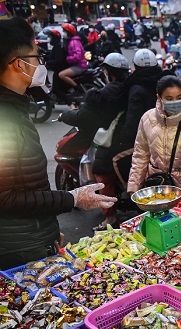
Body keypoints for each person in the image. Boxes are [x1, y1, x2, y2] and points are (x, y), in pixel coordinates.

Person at [0, 17, 115, 269]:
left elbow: (25, 182)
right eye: (35, 56)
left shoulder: (16, 110)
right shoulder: (5, 120)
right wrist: (72, 198)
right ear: (18, 65)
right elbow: (5, 197)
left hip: (32, 239)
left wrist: (49, 235)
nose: (41, 62)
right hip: (18, 250)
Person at [93, 49, 163, 229]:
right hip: (164, 137)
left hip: (142, 141)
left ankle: (111, 216)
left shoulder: (134, 87)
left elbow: (132, 122)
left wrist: (122, 140)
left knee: (104, 164)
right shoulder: (161, 81)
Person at [128, 76, 181, 197]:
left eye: (179, 98)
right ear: (159, 98)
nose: (175, 102)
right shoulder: (147, 119)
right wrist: (134, 186)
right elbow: (140, 155)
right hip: (157, 187)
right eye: (169, 99)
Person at [59, 52, 129, 160]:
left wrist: (64, 115)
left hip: (107, 142)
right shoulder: (131, 89)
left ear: (108, 72)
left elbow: (81, 117)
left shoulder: (102, 96)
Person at [58, 23, 87, 91]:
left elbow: (78, 56)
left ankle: (77, 88)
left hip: (79, 66)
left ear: (68, 33)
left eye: (64, 31)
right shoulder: (71, 41)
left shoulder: (74, 42)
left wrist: (67, 59)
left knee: (61, 75)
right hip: (77, 64)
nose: (63, 33)